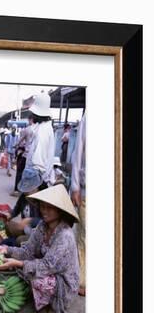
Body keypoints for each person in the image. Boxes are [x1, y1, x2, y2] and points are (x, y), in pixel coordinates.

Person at [0, 185, 79, 313]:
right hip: (49, 269)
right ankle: (39, 296)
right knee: (25, 267)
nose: (44, 211)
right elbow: (27, 251)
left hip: (63, 281)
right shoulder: (42, 227)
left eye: (49, 207)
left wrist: (20, 263)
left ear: (59, 211)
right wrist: (7, 249)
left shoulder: (65, 235)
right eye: (42, 206)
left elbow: (47, 265)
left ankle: (52, 304)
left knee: (36, 278)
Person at [2, 165, 46, 243]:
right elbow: (17, 208)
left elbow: (47, 222)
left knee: (20, 240)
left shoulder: (44, 200)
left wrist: (31, 221)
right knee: (8, 226)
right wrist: (11, 215)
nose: (26, 193)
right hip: (25, 229)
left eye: (29, 190)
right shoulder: (24, 196)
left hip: (39, 233)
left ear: (37, 187)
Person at [23, 92, 55, 186]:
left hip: (36, 181)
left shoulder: (43, 131)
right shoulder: (45, 127)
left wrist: (30, 187)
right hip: (40, 179)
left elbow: (38, 165)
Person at [70, 112, 86, 296]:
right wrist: (75, 186)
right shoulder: (88, 118)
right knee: (84, 236)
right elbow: (78, 153)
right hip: (86, 189)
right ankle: (82, 280)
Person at [12, 116, 35, 196]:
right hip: (34, 157)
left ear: (31, 119)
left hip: (26, 155)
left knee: (19, 172)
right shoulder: (39, 129)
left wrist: (15, 146)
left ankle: (17, 190)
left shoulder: (27, 129)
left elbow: (19, 141)